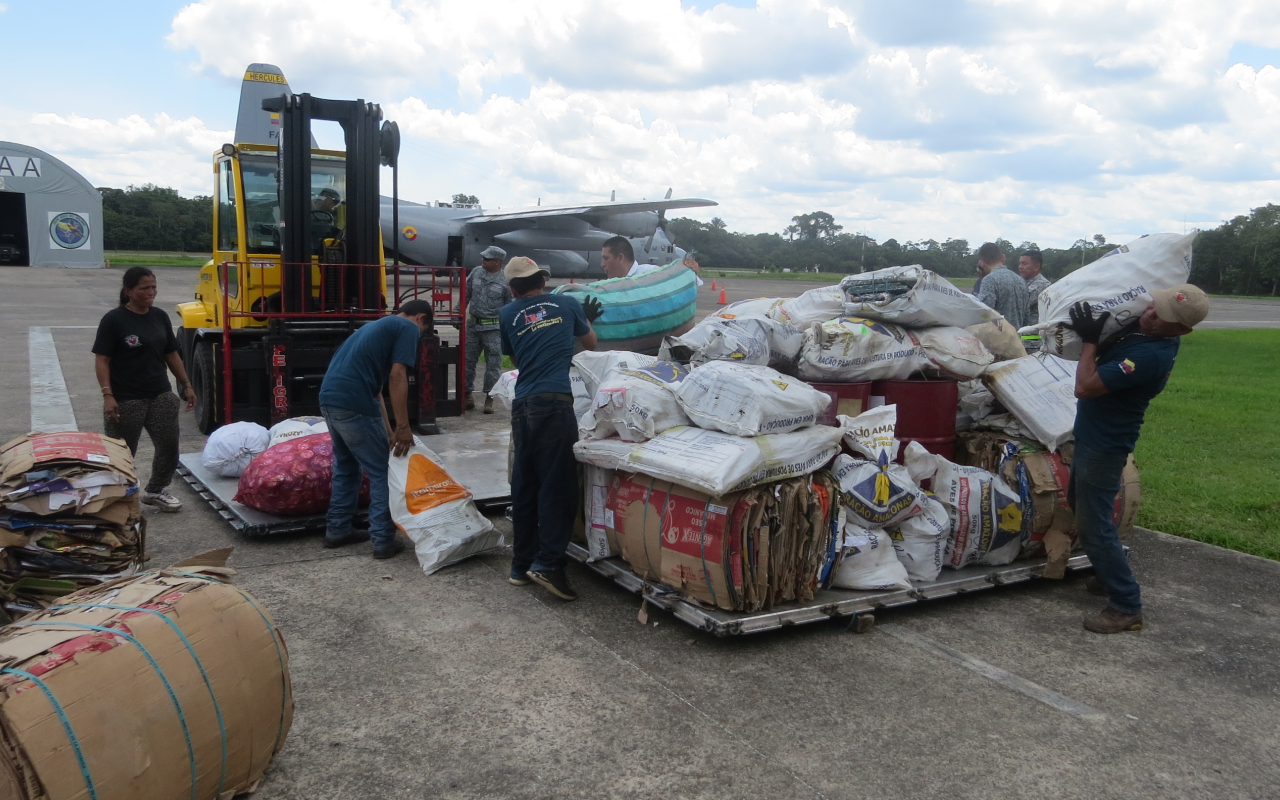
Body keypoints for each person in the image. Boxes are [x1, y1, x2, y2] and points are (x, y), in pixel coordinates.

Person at [1065, 284, 1209, 634]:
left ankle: (1126, 605)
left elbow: (1085, 386)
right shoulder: (1149, 335)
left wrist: (1089, 340)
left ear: (1182, 330)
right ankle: (1106, 570)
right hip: (1093, 436)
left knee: (1094, 525)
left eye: (1161, 316)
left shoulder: (1149, 356)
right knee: (1078, 502)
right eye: (1153, 307)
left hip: (1104, 445)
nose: (1149, 313)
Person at [500, 257, 602, 600]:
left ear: (513, 289)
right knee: (557, 487)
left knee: (525, 485)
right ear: (542, 280)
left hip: (522, 405)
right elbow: (591, 343)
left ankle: (520, 566)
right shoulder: (567, 303)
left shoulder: (506, 314)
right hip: (554, 404)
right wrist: (583, 320)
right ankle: (548, 564)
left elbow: (514, 359)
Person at [318, 299, 433, 559]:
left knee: (346, 467)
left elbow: (377, 391)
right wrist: (404, 426)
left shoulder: (375, 327)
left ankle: (337, 530)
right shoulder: (408, 327)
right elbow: (397, 376)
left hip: (330, 398)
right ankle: (383, 541)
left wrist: (391, 430)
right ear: (421, 318)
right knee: (382, 472)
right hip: (354, 402)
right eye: (424, 330)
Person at [92, 267, 197, 512]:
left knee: (169, 446)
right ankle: (119, 498)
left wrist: (186, 384)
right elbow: (102, 360)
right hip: (126, 399)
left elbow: (171, 354)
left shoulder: (159, 316)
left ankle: (155, 490)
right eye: (144, 288)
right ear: (128, 291)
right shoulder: (114, 320)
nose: (151, 292)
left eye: (153, 287)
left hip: (160, 394)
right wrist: (108, 395)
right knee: (122, 453)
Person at [464, 245, 513, 414]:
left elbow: (509, 306)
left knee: (493, 365)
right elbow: (466, 294)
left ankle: (489, 398)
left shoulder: (505, 280)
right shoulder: (476, 272)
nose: (482, 261)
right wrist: (458, 312)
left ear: (497, 262)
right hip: (473, 326)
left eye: (486, 259)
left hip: (493, 328)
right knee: (467, 361)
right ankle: (467, 395)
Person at [600, 236, 703, 285]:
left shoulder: (650, 273)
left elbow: (694, 282)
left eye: (606, 258)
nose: (602, 264)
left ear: (620, 258)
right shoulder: (607, 285)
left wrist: (689, 270)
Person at [974, 242, 1029, 329]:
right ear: (1003, 257)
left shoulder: (989, 280)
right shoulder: (1021, 280)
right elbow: (1026, 316)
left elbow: (984, 315)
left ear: (981, 263)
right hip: (1018, 338)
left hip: (998, 338)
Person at [1018, 249, 1052, 352]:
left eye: (1024, 264)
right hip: (1023, 339)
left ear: (1036, 266)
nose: (1020, 267)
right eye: (1020, 263)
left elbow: (1019, 303)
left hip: (1032, 343)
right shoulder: (1024, 283)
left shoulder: (1040, 286)